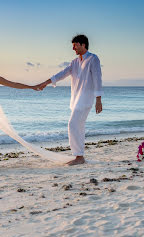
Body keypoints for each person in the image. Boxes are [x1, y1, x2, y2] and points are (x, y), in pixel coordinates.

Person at [36, 34, 103, 166]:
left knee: (72, 125)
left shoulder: (93, 59)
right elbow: (62, 74)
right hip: (76, 100)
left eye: (75, 45)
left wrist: (98, 99)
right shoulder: (74, 62)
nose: (73, 48)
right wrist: (45, 83)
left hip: (86, 100)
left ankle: (79, 156)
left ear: (83, 45)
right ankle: (80, 156)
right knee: (79, 127)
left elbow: (97, 78)